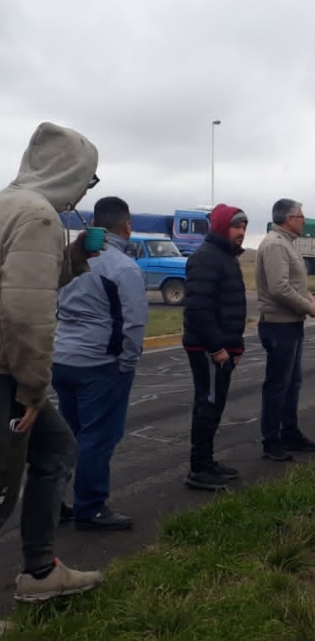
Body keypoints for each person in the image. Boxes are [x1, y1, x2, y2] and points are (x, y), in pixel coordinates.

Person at [0, 121, 104, 602]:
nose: (87, 190)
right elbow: (25, 314)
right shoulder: (40, 217)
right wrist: (33, 391)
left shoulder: (9, 205)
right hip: (6, 375)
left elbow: (24, 285)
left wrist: (76, 256)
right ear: (70, 172)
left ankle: (40, 571)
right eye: (90, 178)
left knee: (58, 449)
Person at [52, 196, 148, 530]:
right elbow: (134, 323)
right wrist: (128, 362)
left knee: (67, 435)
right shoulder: (123, 268)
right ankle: (90, 507)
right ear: (127, 226)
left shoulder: (69, 259)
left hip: (62, 358)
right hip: (100, 363)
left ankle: (50, 501)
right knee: (98, 437)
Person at [182, 204, 248, 491]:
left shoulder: (226, 257)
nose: (242, 232)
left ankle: (207, 461)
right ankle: (199, 468)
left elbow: (232, 307)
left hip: (224, 348)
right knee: (207, 405)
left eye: (244, 227)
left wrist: (236, 347)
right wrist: (217, 348)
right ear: (222, 227)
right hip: (208, 350)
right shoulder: (206, 258)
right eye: (236, 226)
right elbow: (199, 308)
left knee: (215, 405)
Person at [255, 198, 315, 462]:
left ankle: (290, 433)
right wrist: (309, 307)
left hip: (292, 323)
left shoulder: (287, 244)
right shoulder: (274, 245)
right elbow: (279, 288)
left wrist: (310, 299)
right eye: (301, 216)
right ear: (288, 219)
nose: (304, 220)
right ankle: (272, 441)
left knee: (292, 383)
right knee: (278, 386)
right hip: (278, 325)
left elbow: (295, 282)